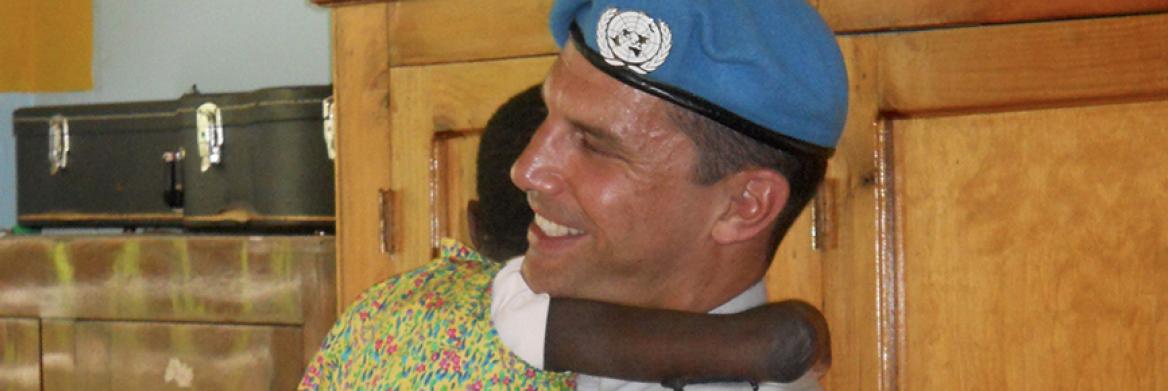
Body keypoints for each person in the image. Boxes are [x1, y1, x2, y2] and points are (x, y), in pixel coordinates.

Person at [300, 0, 846, 388]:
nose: (527, 169)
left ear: (743, 204)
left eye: (595, 144)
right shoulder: (478, 333)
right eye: (549, 116)